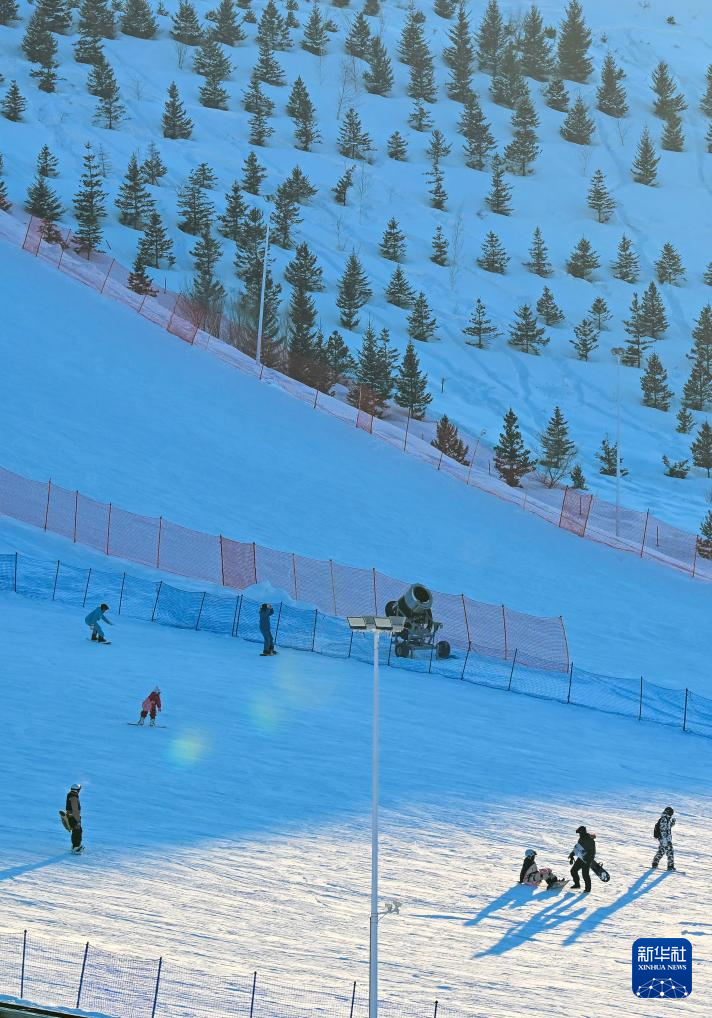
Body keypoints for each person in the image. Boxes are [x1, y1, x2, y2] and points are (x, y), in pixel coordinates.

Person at [569, 825, 596, 892]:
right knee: (573, 870)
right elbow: (578, 848)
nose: (579, 834)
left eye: (579, 833)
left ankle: (588, 889)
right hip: (581, 857)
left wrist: (589, 859)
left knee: (585, 874)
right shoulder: (581, 838)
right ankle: (577, 884)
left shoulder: (588, 839)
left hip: (587, 859)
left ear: (582, 832)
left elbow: (584, 848)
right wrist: (572, 855)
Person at [652, 806, 676, 871]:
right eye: (671, 813)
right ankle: (670, 866)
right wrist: (664, 840)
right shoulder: (664, 819)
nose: (672, 814)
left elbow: (668, 827)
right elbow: (663, 830)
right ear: (668, 812)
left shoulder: (667, 819)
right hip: (665, 839)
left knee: (661, 851)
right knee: (670, 852)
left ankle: (655, 863)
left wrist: (673, 823)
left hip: (665, 839)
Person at [66, 783, 84, 854]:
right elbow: (75, 810)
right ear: (78, 790)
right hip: (74, 817)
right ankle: (76, 848)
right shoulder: (74, 797)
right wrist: (78, 821)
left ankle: (74, 846)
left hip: (70, 816)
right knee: (78, 831)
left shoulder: (70, 795)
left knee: (75, 831)